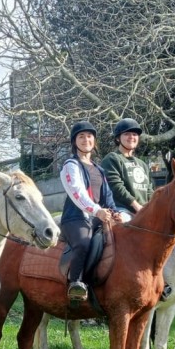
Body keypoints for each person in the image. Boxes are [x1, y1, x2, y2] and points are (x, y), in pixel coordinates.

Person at [60, 121, 119, 304]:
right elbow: (77, 192)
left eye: (89, 136)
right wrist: (96, 210)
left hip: (99, 217)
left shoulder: (99, 169)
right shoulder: (70, 165)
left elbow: (107, 195)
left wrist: (115, 212)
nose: (86, 140)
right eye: (81, 136)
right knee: (83, 243)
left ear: (94, 140)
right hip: (76, 218)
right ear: (74, 141)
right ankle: (75, 284)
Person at [100, 118, 154, 221]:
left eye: (134, 134)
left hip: (144, 210)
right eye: (126, 134)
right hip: (122, 210)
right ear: (118, 138)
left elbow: (149, 190)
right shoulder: (112, 158)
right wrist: (137, 206)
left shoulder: (142, 164)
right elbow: (116, 187)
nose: (131, 137)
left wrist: (151, 207)